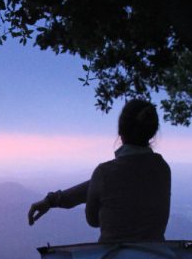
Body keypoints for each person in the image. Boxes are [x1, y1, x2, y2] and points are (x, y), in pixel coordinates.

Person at [27, 99, 171, 242]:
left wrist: (51, 200)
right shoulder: (163, 169)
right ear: (152, 132)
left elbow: (93, 220)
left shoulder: (105, 173)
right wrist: (52, 200)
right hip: (156, 258)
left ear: (120, 131)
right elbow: (119, 182)